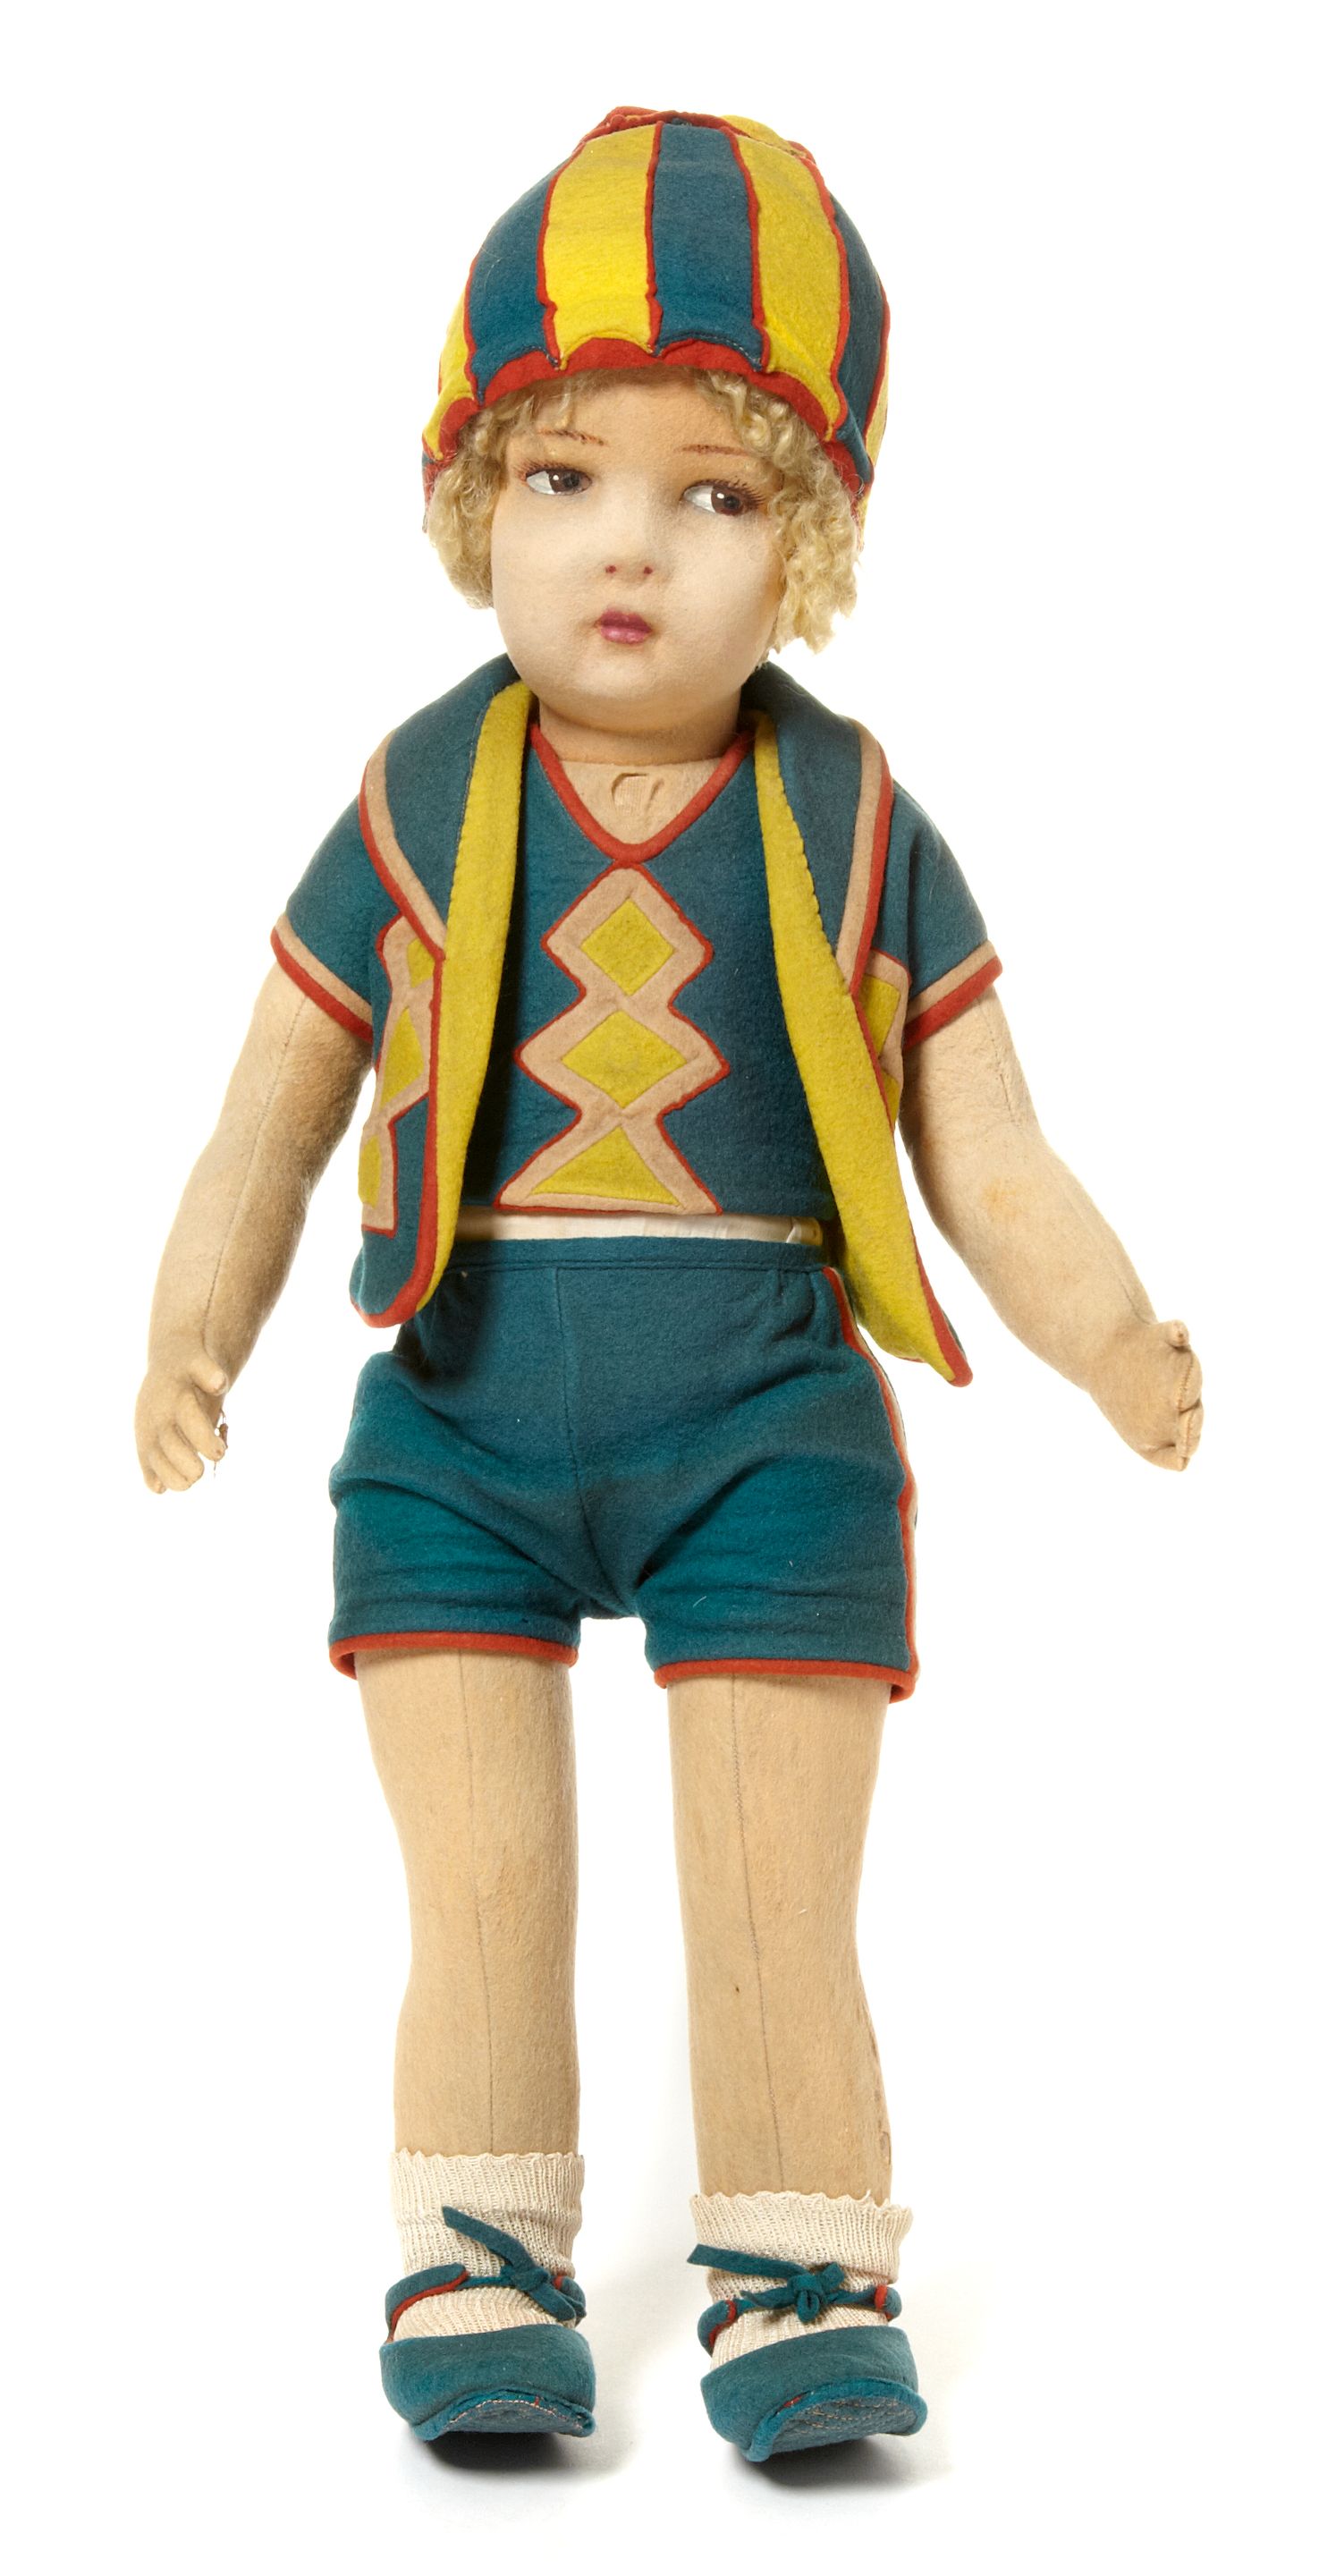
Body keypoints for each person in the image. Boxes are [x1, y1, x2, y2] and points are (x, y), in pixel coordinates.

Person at [135, 105, 1203, 2463]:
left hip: (766, 1432)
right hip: (453, 1421)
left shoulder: (856, 821)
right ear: (471, 505)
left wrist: (1117, 1342)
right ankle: (476, 2247)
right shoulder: (413, 802)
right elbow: (269, 1111)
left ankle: (801, 2265)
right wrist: (191, 1329)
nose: (628, 541)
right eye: (562, 475)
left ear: (807, 543)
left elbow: (987, 1152)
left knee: (771, 1890)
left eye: (714, 492)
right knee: (484, 1884)